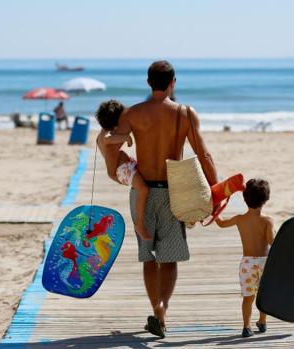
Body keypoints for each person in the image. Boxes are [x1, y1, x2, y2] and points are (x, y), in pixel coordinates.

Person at [107, 60, 218, 338]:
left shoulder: (132, 114)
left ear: (148, 82)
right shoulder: (185, 113)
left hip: (142, 190)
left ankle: (155, 306)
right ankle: (163, 309)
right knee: (169, 259)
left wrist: (119, 160)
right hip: (173, 192)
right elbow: (204, 155)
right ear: (173, 83)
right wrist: (215, 192)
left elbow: (111, 146)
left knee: (148, 257)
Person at [215, 178, 275, 338]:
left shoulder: (240, 219)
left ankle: (247, 326)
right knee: (264, 295)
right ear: (266, 199)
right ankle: (262, 321)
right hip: (264, 263)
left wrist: (215, 209)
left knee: (248, 297)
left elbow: (221, 223)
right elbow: (272, 243)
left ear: (244, 198)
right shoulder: (267, 221)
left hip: (247, 264)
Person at [95, 99, 151, 241]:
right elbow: (108, 139)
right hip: (121, 171)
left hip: (124, 168)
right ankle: (139, 224)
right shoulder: (108, 136)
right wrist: (126, 137)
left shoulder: (101, 134)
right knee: (144, 189)